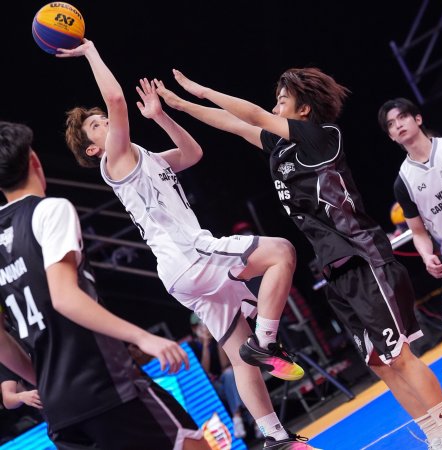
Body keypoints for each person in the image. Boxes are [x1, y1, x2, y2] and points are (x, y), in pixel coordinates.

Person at [153, 68, 442, 449]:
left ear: (304, 109)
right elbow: (234, 124)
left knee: (400, 356)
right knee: (379, 363)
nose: (275, 106)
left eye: (282, 100)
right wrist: (180, 105)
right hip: (334, 268)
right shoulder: (281, 148)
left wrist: (201, 89)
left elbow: (253, 115)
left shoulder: (322, 137)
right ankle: (433, 434)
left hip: (363, 257)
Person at [59, 39, 317, 450]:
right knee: (281, 252)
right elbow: (116, 100)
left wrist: (161, 116)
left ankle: (276, 438)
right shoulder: (115, 161)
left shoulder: (143, 157)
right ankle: (267, 343)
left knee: (238, 353)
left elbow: (192, 153)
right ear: (93, 149)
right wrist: (90, 51)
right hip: (191, 255)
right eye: (96, 125)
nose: (105, 121)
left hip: (181, 272)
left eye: (102, 119)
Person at [0, 120, 210, 450]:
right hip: (105, 383)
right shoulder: (49, 210)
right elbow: (64, 297)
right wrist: (143, 337)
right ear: (34, 160)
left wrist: (42, 380)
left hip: (60, 410)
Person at [378, 99, 442, 365]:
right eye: (391, 124)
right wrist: (427, 255)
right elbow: (418, 232)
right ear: (390, 135)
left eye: (402, 118)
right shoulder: (404, 182)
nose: (398, 125)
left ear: (417, 119)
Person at [189, 313, 252, 440]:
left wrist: (219, 340)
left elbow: (225, 365)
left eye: (205, 323)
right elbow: (204, 373)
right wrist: (205, 345)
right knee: (237, 387)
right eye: (199, 326)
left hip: (228, 383)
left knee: (230, 374)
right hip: (211, 387)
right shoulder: (193, 346)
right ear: (194, 329)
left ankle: (237, 417)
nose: (204, 328)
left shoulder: (217, 339)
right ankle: (253, 422)